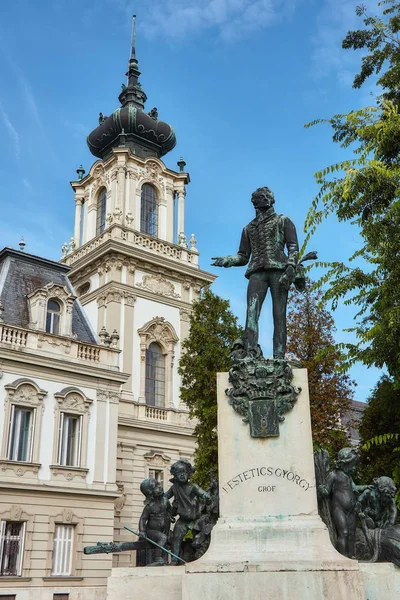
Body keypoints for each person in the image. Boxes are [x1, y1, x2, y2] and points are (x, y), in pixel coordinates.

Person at [211, 186, 299, 359]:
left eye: (267, 196)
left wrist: (290, 266)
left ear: (271, 199)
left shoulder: (283, 220)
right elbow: (243, 256)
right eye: (260, 197)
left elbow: (293, 246)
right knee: (251, 313)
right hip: (257, 272)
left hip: (278, 270)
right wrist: (228, 260)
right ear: (255, 202)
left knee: (279, 315)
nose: (264, 199)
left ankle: (279, 356)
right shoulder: (248, 228)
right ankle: (250, 353)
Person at [318, 448, 368, 558]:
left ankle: (351, 555)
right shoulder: (333, 475)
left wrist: (368, 487)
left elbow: (355, 488)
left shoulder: (348, 477)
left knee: (351, 534)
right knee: (344, 533)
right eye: (352, 465)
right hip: (338, 509)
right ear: (344, 464)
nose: (354, 468)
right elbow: (326, 491)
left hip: (351, 510)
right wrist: (322, 490)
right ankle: (343, 556)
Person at [165, 459, 210, 564]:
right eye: (179, 473)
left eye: (184, 472)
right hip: (183, 520)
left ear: (189, 474)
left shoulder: (192, 486)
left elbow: (202, 493)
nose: (182, 475)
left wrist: (206, 496)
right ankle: (175, 559)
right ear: (175, 475)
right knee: (176, 538)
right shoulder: (174, 488)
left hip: (196, 519)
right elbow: (165, 497)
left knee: (199, 539)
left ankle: (201, 558)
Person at [138, 477, 172, 565]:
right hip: (151, 532)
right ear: (150, 493)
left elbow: (169, 511)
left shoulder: (165, 501)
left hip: (165, 530)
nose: (160, 486)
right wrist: (142, 531)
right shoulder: (150, 506)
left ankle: (175, 560)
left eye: (159, 484)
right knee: (163, 538)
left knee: (174, 538)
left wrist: (172, 515)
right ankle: (157, 558)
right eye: (156, 486)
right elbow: (143, 519)